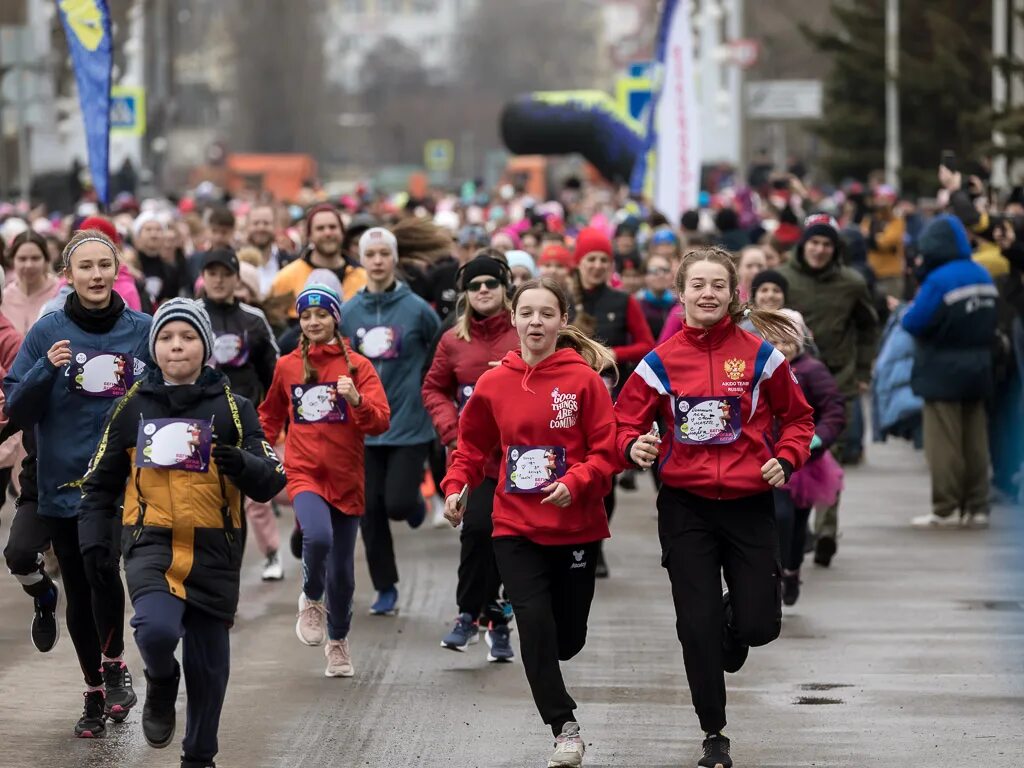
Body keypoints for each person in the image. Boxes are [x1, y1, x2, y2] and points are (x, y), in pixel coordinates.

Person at [616, 247, 814, 768]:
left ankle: (734, 622)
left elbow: (799, 419)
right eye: (697, 285)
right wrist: (632, 447)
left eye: (717, 286)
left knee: (758, 627)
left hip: (749, 505)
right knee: (695, 625)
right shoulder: (658, 363)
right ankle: (714, 733)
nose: (707, 294)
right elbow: (620, 424)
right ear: (681, 294)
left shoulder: (761, 356)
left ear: (733, 295)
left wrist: (787, 458)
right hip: (687, 509)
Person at [77, 298, 285, 767]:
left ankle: (199, 757)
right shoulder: (131, 407)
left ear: (206, 346)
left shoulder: (235, 408)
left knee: (209, 667)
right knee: (154, 630)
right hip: (151, 543)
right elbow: (100, 481)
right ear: (155, 348)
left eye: (188, 337)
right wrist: (94, 539)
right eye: (167, 338)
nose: (177, 346)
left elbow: (272, 476)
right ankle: (161, 680)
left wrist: (243, 463)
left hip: (217, 548)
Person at [441, 277, 619, 768]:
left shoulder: (583, 379)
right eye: (527, 313)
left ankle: (557, 658)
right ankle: (564, 727)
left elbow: (607, 451)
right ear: (514, 319)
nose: (535, 322)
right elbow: (472, 448)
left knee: (567, 638)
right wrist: (456, 489)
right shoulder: (495, 383)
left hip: (576, 529)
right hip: (514, 526)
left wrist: (578, 480)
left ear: (563, 321)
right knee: (534, 627)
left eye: (546, 314)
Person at [2, 229, 152, 737]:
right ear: (68, 276)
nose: (95, 275)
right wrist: (46, 368)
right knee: (79, 593)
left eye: (103, 265)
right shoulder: (48, 332)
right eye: (84, 267)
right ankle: (94, 688)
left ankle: (115, 664)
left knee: (102, 568)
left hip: (115, 480)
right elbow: (16, 409)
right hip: (58, 476)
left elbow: (175, 388)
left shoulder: (143, 330)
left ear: (116, 270)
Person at [260, 284, 390, 676]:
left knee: (344, 574)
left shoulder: (358, 368)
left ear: (336, 317)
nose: (314, 321)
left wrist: (356, 400)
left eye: (321, 314)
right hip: (304, 472)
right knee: (317, 537)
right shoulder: (287, 366)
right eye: (306, 315)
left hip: (347, 475)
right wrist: (261, 451)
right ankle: (312, 599)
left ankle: (338, 641)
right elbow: (269, 415)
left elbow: (381, 421)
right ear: (299, 322)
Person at [421, 255, 520, 660]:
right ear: (465, 292)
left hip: (521, 458)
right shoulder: (452, 339)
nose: (483, 290)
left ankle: (497, 620)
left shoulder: (522, 333)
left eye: (491, 284)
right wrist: (452, 428)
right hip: (473, 457)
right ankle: (467, 614)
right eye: (475, 284)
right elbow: (433, 388)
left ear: (504, 289)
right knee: (476, 531)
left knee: (508, 540)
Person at [340, 227, 441, 615]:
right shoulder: (348, 313)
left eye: (385, 253)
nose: (378, 261)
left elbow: (438, 356)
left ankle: (414, 504)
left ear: (394, 259)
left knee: (396, 503)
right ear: (362, 260)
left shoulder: (417, 309)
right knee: (371, 510)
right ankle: (386, 587)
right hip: (364, 427)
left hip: (409, 423)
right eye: (371, 254)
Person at [778, 214, 878, 566]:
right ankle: (798, 525)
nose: (819, 250)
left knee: (827, 455)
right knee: (795, 455)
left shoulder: (852, 283)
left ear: (835, 249)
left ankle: (825, 532)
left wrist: (864, 368)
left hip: (838, 379)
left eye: (826, 245)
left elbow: (869, 326)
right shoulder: (785, 279)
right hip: (790, 379)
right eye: (814, 243)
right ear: (803, 245)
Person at [902, 215, 998, 529]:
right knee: (975, 439)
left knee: (944, 441)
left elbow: (914, 322)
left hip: (942, 368)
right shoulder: (982, 275)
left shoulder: (939, 280)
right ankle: (978, 505)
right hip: (980, 365)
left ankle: (944, 508)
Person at [571, 227, 656, 575]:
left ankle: (596, 544)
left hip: (609, 396)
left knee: (603, 469)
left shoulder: (623, 301)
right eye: (591, 259)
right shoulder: (565, 298)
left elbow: (647, 344)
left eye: (603, 260)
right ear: (579, 262)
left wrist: (609, 354)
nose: (596, 266)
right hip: (568, 398)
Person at [200, 247, 283, 579]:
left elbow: (273, 374)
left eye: (226, 274)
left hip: (241, 423)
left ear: (237, 278)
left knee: (243, 499)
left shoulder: (252, 319)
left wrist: (271, 421)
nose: (219, 281)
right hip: (198, 424)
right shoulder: (190, 315)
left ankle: (235, 570)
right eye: (213, 274)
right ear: (203, 277)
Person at [762, 313, 845, 606]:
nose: (781, 348)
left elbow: (833, 410)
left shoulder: (812, 371)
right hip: (766, 458)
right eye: (774, 341)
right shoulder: (759, 370)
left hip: (804, 461)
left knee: (796, 523)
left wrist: (819, 437)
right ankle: (773, 572)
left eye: (787, 341)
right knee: (778, 517)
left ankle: (791, 570)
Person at [269, 204, 367, 320]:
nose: (327, 233)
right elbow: (276, 324)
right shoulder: (286, 278)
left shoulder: (363, 278)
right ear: (309, 235)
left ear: (342, 232)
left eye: (332, 227)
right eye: (320, 228)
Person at [2, 230, 61, 335]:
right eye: (22, 259)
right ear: (12, 260)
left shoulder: (60, 293)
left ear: (46, 260)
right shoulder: (4, 297)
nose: (29, 265)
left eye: (35, 258)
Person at [636, 251, 676, 339]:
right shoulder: (637, 306)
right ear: (644, 276)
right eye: (654, 271)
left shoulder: (679, 305)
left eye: (665, 270)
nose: (661, 275)